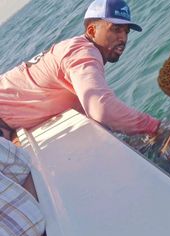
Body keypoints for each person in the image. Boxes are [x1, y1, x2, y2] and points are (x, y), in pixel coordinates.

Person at [0, 0, 161, 141]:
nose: (123, 38)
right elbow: (102, 109)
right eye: (116, 29)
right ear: (91, 31)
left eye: (126, 31)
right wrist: (156, 128)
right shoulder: (82, 53)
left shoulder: (77, 50)